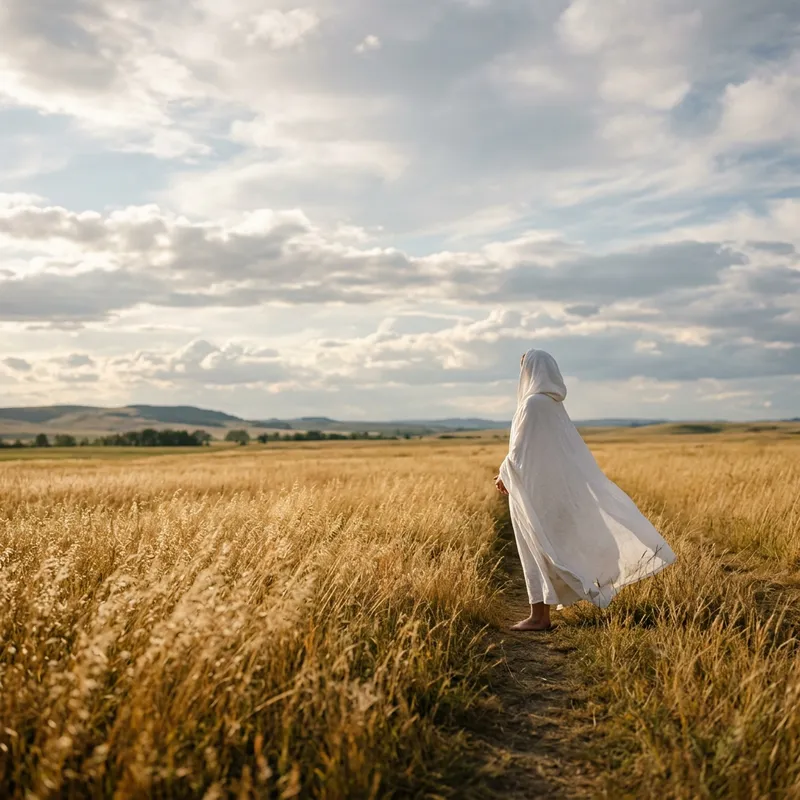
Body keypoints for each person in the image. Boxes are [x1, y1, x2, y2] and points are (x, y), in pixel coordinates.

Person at [494, 349, 676, 631]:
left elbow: (522, 451)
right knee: (551, 546)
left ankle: (539, 617)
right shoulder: (553, 405)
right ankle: (549, 608)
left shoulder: (532, 405)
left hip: (536, 491)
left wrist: (504, 473)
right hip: (554, 489)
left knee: (537, 547)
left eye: (523, 368)